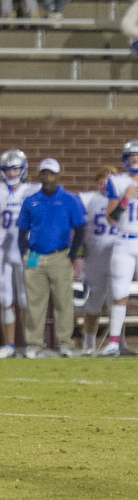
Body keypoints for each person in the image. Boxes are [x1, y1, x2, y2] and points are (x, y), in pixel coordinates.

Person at [17, 158, 85, 358]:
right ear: (40, 176)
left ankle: (65, 343)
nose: (48, 178)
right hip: (35, 256)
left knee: (63, 301)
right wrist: (24, 254)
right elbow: (22, 231)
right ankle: (34, 344)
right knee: (34, 303)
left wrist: (72, 254)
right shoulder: (31, 201)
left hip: (59, 255)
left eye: (51, 174)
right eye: (44, 174)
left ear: (58, 175)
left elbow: (81, 228)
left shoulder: (69, 199)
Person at [0, 150, 39, 357]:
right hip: (3, 249)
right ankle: (9, 344)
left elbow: (39, 223)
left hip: (27, 250)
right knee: (5, 299)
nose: (12, 172)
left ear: (23, 169)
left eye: (15, 168)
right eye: (8, 168)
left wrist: (36, 254)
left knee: (26, 299)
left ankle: (31, 344)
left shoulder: (34, 190)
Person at [101, 139, 138, 356]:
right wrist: (126, 198)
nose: (135, 159)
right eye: (131, 156)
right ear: (125, 160)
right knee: (119, 292)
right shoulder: (117, 181)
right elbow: (111, 219)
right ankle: (114, 342)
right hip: (124, 240)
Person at [77, 166, 118, 355]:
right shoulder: (87, 199)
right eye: (102, 180)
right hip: (93, 259)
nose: (105, 184)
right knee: (93, 304)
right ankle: (88, 344)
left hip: (117, 258)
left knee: (117, 304)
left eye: (109, 180)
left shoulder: (123, 200)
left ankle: (117, 343)